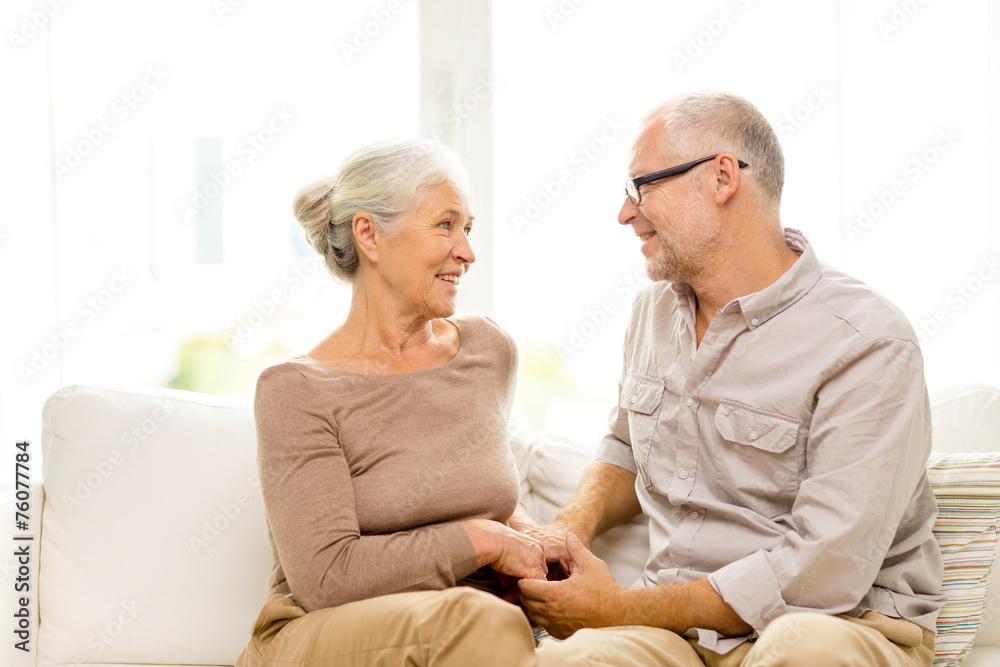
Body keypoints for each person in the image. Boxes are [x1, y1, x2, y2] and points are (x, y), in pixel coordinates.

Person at [516, 91, 947, 667]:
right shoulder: (652, 314)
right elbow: (626, 446)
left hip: (842, 623)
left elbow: (825, 573)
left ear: (721, 178)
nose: (626, 213)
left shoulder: (867, 341)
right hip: (676, 628)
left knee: (801, 651)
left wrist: (615, 611)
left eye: (641, 187)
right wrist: (567, 528)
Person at [234, 139, 547, 667]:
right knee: (480, 621)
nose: (467, 252)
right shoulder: (296, 390)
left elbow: (474, 487)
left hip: (480, 633)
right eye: (445, 225)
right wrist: (484, 541)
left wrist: (532, 540)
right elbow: (327, 579)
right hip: (319, 634)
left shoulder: (487, 351)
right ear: (369, 235)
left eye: (468, 228)